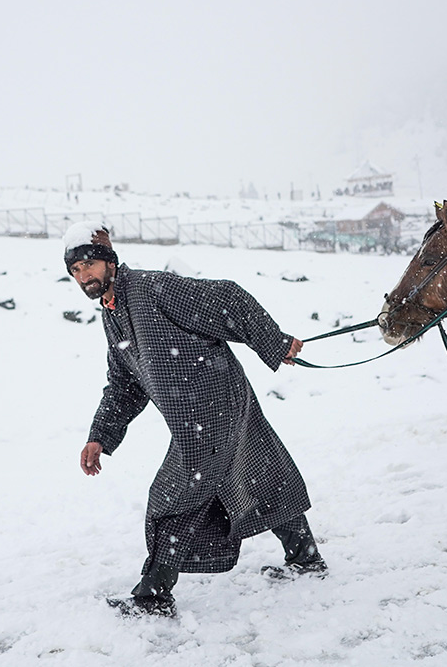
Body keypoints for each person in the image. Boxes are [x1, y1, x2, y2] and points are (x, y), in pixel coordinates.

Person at [65, 222, 326, 618]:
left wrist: (272, 341)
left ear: (110, 262)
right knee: (260, 474)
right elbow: (123, 385)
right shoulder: (112, 314)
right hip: (201, 412)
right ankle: (305, 558)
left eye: (89, 265)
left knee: (175, 497)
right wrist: (100, 436)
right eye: (76, 271)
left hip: (212, 404)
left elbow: (226, 297)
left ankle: (153, 595)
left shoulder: (154, 289)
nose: (84, 276)